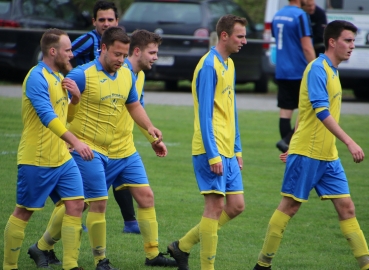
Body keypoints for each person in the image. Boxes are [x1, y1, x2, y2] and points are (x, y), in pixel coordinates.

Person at [253, 20, 369, 270]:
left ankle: (366, 264)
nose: (352, 46)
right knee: (290, 206)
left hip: (327, 155)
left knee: (347, 207)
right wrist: (349, 141)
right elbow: (319, 112)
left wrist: (292, 145)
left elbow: (302, 115)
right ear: (332, 42)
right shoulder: (318, 69)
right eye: (348, 40)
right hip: (309, 153)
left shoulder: (333, 70)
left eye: (353, 41)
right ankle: (262, 265)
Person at [3, 28, 94, 270]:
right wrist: (76, 141)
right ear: (52, 51)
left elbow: (65, 117)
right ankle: (9, 266)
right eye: (68, 50)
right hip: (37, 158)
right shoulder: (36, 77)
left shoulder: (59, 78)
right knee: (23, 212)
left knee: (77, 203)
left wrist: (75, 99)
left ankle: (70, 265)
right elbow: (46, 116)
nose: (71, 55)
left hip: (62, 158)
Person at [167, 14, 247, 270]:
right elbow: (204, 115)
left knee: (236, 206)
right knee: (215, 207)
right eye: (240, 36)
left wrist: (237, 148)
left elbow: (231, 109)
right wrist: (213, 154)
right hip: (209, 148)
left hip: (227, 148)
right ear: (224, 36)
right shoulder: (209, 66)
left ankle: (182, 246)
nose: (244, 41)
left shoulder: (229, 64)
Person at [104, 28, 177, 267]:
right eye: (152, 52)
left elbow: (137, 110)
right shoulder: (118, 72)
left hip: (127, 150)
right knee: (79, 204)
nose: (156, 57)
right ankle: (43, 246)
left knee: (146, 197)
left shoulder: (139, 75)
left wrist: (153, 139)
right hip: (103, 152)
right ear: (137, 51)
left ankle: (152, 255)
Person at [72, 0, 140, 234]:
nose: (106, 23)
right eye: (102, 19)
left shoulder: (125, 74)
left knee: (94, 200)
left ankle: (142, 240)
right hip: (85, 136)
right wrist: (74, 87)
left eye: (110, 19)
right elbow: (64, 58)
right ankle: (50, 247)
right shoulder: (84, 68)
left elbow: (134, 104)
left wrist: (151, 129)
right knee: (82, 202)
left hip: (113, 139)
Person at [273, 0, 316, 153]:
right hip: (299, 70)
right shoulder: (300, 15)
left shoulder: (277, 15)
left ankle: (288, 149)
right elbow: (306, 46)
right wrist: (317, 68)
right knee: (310, 109)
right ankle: (288, 143)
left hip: (282, 70)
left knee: (285, 111)